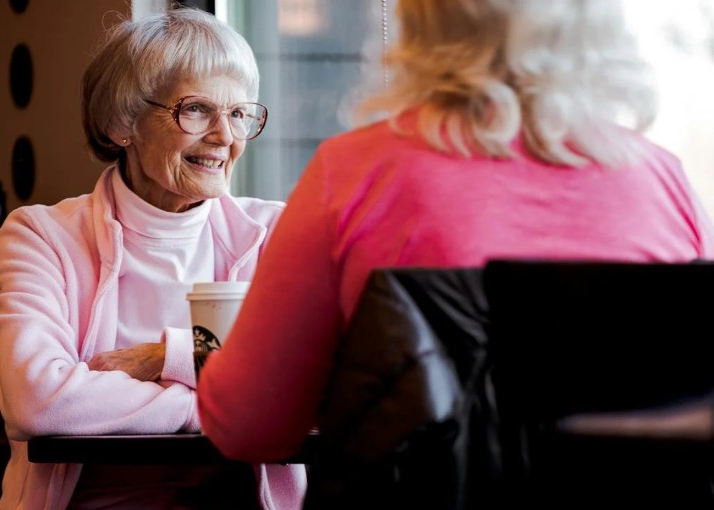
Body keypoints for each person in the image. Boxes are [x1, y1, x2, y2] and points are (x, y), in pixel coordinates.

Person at [196, 0, 714, 465]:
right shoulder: (664, 181)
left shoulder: (354, 173)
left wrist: (190, 355)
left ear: (419, 24)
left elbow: (249, 428)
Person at [0, 7, 305, 510]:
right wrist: (216, 399)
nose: (225, 137)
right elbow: (37, 401)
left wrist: (167, 357)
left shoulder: (274, 232)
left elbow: (313, 385)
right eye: (197, 111)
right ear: (123, 123)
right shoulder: (42, 235)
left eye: (237, 114)